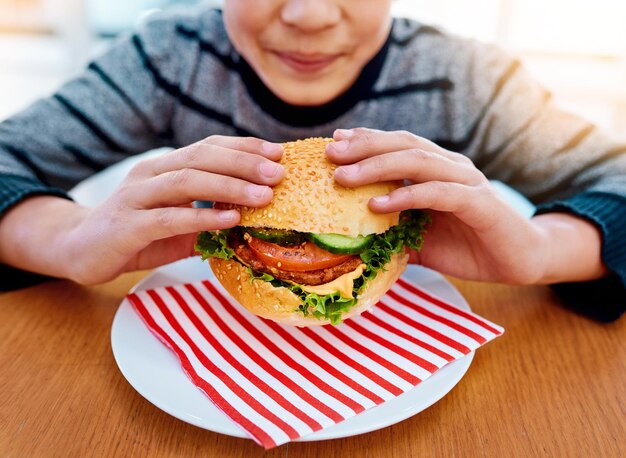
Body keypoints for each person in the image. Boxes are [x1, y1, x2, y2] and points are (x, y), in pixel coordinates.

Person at [0, 0, 624, 321]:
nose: (310, 17)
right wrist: (61, 240)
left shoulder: (466, 80)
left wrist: (544, 250)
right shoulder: (167, 58)